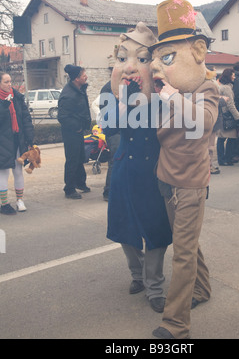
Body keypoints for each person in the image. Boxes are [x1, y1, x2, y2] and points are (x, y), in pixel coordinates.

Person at [149, 0, 219, 339]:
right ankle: (201, 289)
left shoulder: (208, 89)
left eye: (167, 58)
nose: (157, 69)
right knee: (186, 244)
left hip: (190, 186)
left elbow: (202, 123)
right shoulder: (167, 94)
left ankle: (176, 323)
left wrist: (172, 96)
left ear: (198, 51)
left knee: (183, 253)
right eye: (156, 60)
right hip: (167, 180)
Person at [102, 22, 172, 314]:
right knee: (123, 229)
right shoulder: (112, 92)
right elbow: (109, 126)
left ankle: (154, 287)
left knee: (156, 232)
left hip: (154, 173)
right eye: (123, 58)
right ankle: (137, 274)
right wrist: (122, 99)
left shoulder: (162, 92)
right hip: (123, 171)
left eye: (141, 59)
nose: (130, 67)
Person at [0, 72, 34, 215]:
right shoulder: (4, 100)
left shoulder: (17, 97)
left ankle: (20, 200)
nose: (10, 85)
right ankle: (4, 203)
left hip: (17, 139)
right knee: (3, 172)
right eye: (6, 82)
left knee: (18, 171)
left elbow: (26, 119)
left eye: (10, 81)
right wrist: (5, 105)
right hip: (3, 141)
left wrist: (30, 139)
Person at [58, 65, 91, 199]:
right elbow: (62, 117)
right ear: (77, 79)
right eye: (84, 76)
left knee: (79, 157)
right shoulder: (68, 95)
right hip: (71, 132)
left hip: (78, 131)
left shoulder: (79, 89)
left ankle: (80, 183)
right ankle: (69, 188)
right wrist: (77, 127)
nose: (86, 77)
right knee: (72, 159)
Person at [98, 81, 120, 201]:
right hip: (114, 132)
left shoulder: (114, 86)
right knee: (115, 160)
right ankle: (108, 191)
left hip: (117, 130)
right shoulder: (110, 88)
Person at [216, 68, 239, 166]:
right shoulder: (226, 88)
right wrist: (238, 117)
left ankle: (223, 159)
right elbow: (230, 105)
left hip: (221, 115)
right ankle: (226, 158)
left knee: (222, 138)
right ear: (229, 76)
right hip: (227, 116)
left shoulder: (223, 87)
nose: (234, 77)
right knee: (229, 137)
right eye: (233, 75)